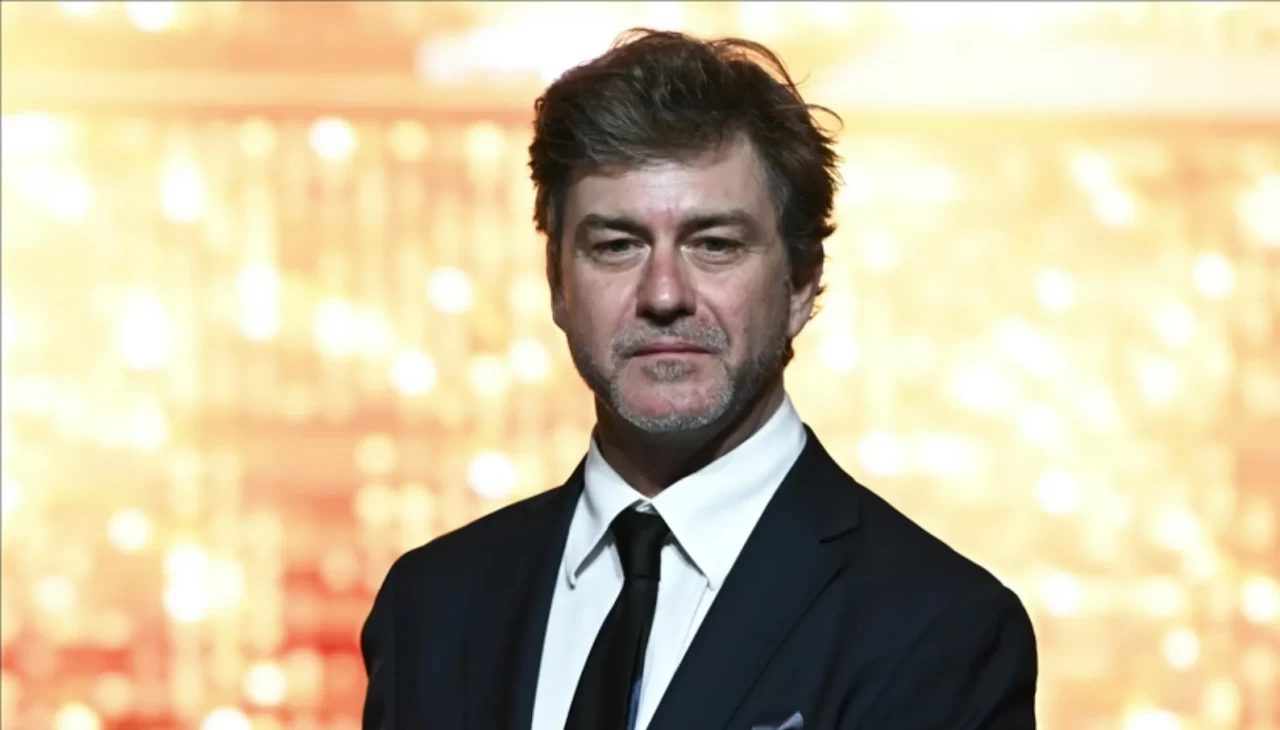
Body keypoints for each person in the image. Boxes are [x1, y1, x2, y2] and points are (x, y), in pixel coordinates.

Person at [360, 28, 1038, 730]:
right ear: (558, 284)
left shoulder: (938, 629)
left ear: (801, 283)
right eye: (617, 245)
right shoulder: (431, 608)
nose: (663, 294)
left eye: (714, 245)